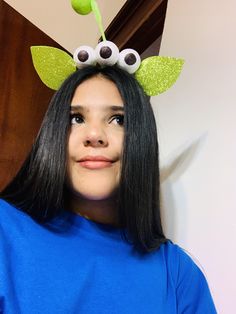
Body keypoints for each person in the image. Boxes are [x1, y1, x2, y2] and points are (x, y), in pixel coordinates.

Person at [0, 65, 216, 313]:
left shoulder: (179, 274)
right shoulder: (4, 229)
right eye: (76, 118)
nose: (94, 134)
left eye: (118, 120)